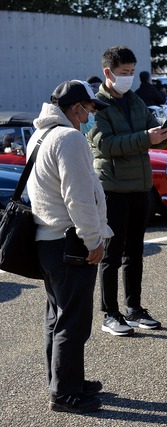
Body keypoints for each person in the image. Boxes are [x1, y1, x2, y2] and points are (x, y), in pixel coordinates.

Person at [27, 80, 112, 413]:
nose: (90, 115)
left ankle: (63, 381)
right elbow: (78, 198)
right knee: (73, 321)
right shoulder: (70, 138)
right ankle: (64, 394)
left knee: (57, 317)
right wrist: (94, 240)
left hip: (47, 241)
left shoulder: (41, 135)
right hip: (70, 242)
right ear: (76, 108)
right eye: (89, 109)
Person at [88, 46, 167, 336]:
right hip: (112, 188)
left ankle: (134, 308)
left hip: (139, 187)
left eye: (132, 72)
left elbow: (151, 135)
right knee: (112, 254)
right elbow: (106, 145)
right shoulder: (95, 105)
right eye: (124, 73)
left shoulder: (136, 100)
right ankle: (109, 314)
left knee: (135, 252)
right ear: (108, 73)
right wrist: (145, 138)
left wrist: (164, 136)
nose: (128, 78)